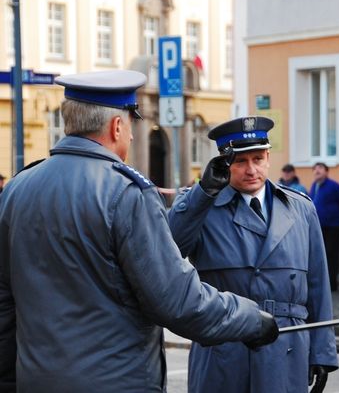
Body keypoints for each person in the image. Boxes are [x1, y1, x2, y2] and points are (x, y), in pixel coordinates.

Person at [0, 70, 278, 393]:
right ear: (117, 127)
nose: (132, 137)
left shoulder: (17, 189)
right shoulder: (127, 193)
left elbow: (5, 305)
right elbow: (178, 301)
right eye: (131, 126)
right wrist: (251, 319)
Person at [168, 116, 338, 393]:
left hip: (286, 350)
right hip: (223, 349)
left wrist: (322, 352)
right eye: (240, 161)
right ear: (225, 163)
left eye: (258, 159)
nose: (251, 170)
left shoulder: (300, 209)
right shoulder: (202, 206)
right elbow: (167, 249)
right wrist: (203, 192)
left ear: (268, 157)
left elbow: (318, 286)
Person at [309, 163, 339, 291]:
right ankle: (322, 283)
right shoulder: (314, 186)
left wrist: (337, 216)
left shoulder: (334, 186)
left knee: (331, 254)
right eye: (315, 169)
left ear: (326, 172)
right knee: (319, 254)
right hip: (318, 226)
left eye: (320, 168)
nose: (317, 171)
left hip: (332, 226)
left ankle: (332, 283)